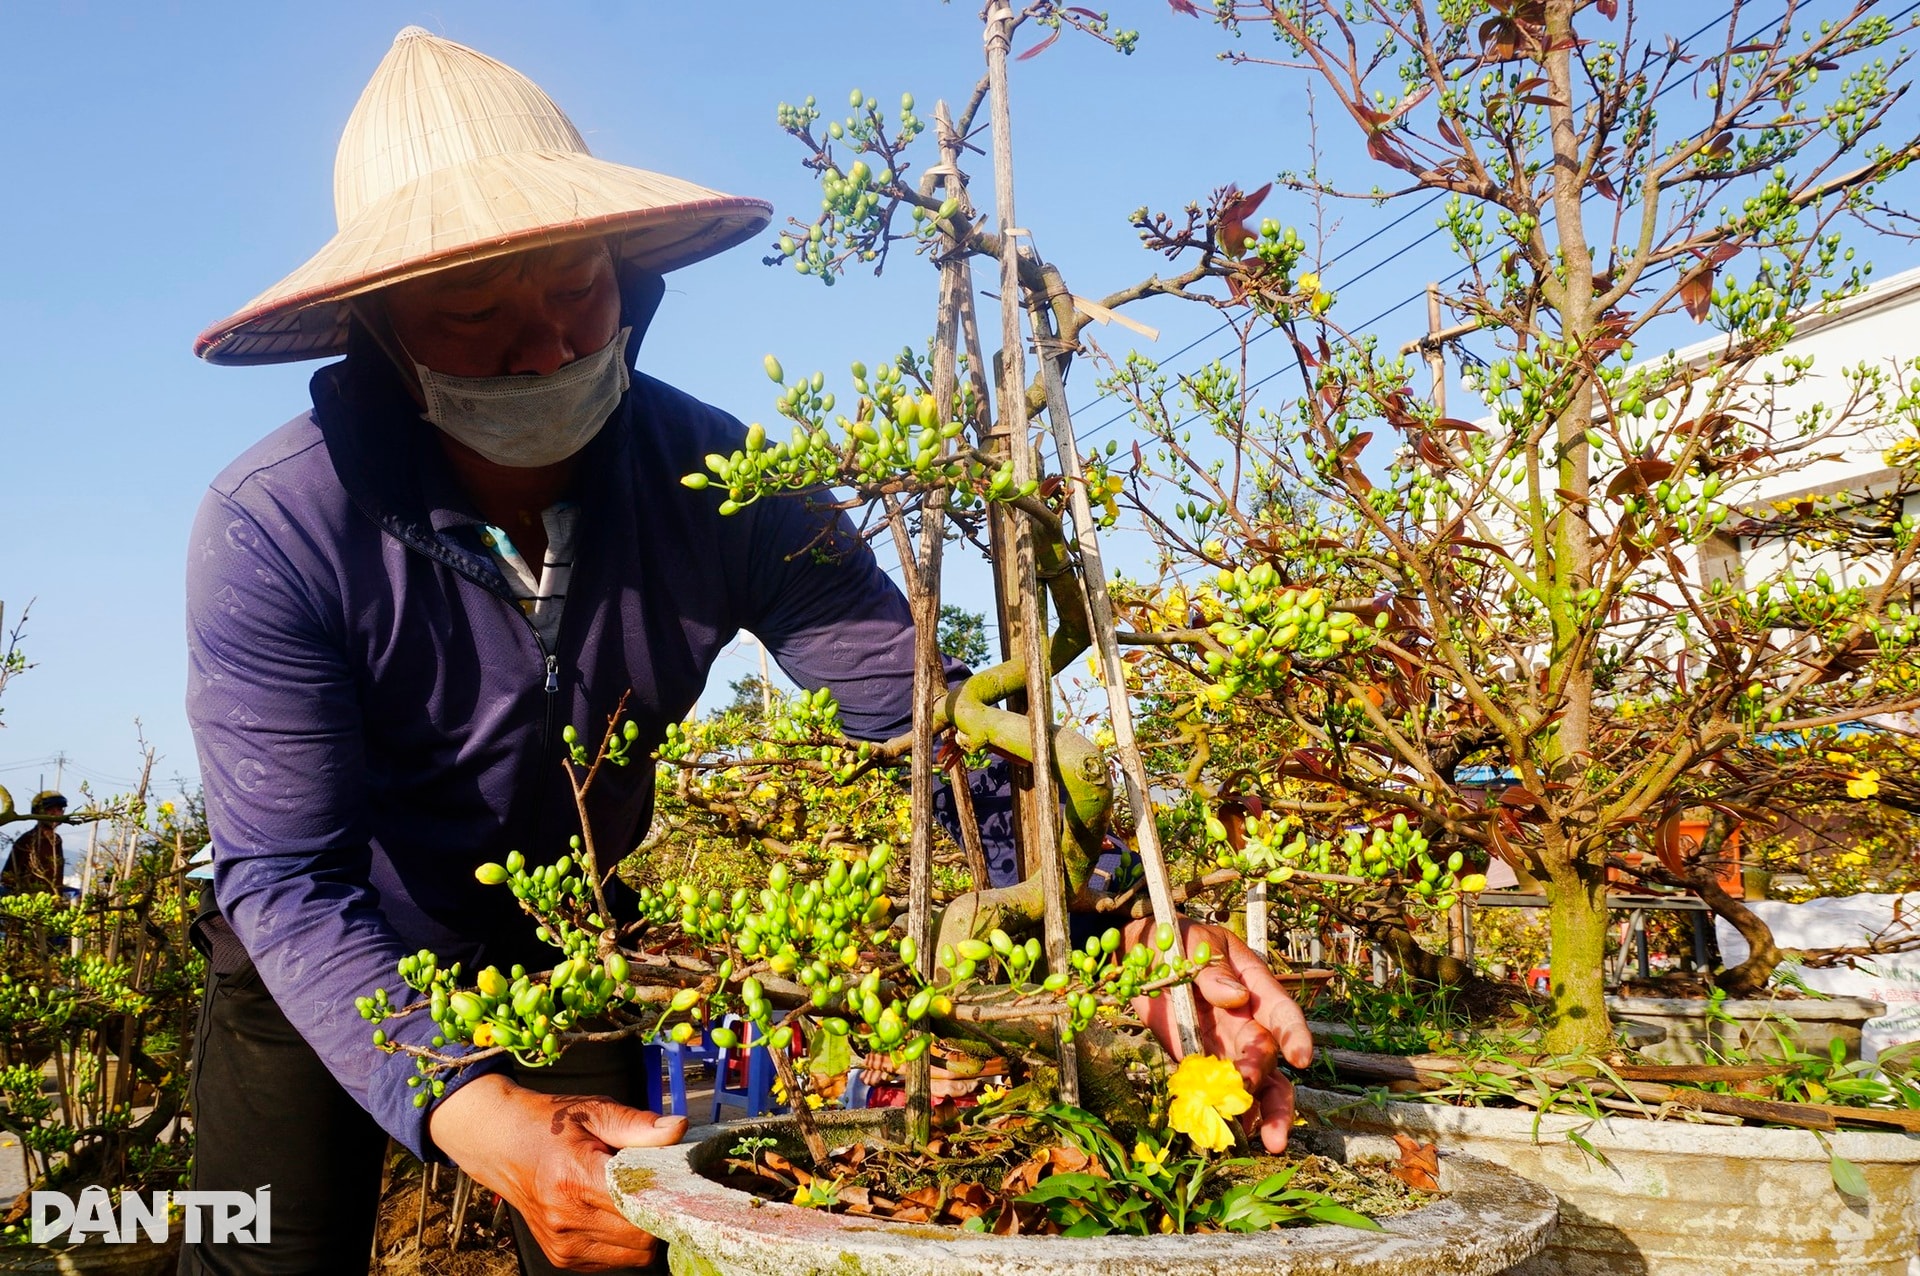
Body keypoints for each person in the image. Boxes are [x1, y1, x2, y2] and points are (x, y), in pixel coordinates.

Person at [183, 27, 1309, 1276]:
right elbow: (288, 873)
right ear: (384, 329)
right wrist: (484, 1117)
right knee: (259, 1256)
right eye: (474, 311)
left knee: (620, 1238)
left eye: (576, 289)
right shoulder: (279, 527)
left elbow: (928, 721)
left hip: (570, 944)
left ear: (626, 276)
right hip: (326, 959)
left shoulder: (721, 481)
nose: (548, 346)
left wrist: (1131, 934)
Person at [2, 790, 66, 896]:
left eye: (59, 809)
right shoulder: (27, 840)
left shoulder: (57, 840)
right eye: (49, 809)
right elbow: (8, 877)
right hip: (25, 899)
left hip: (50, 899)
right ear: (38, 813)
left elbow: (58, 877)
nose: (55, 813)